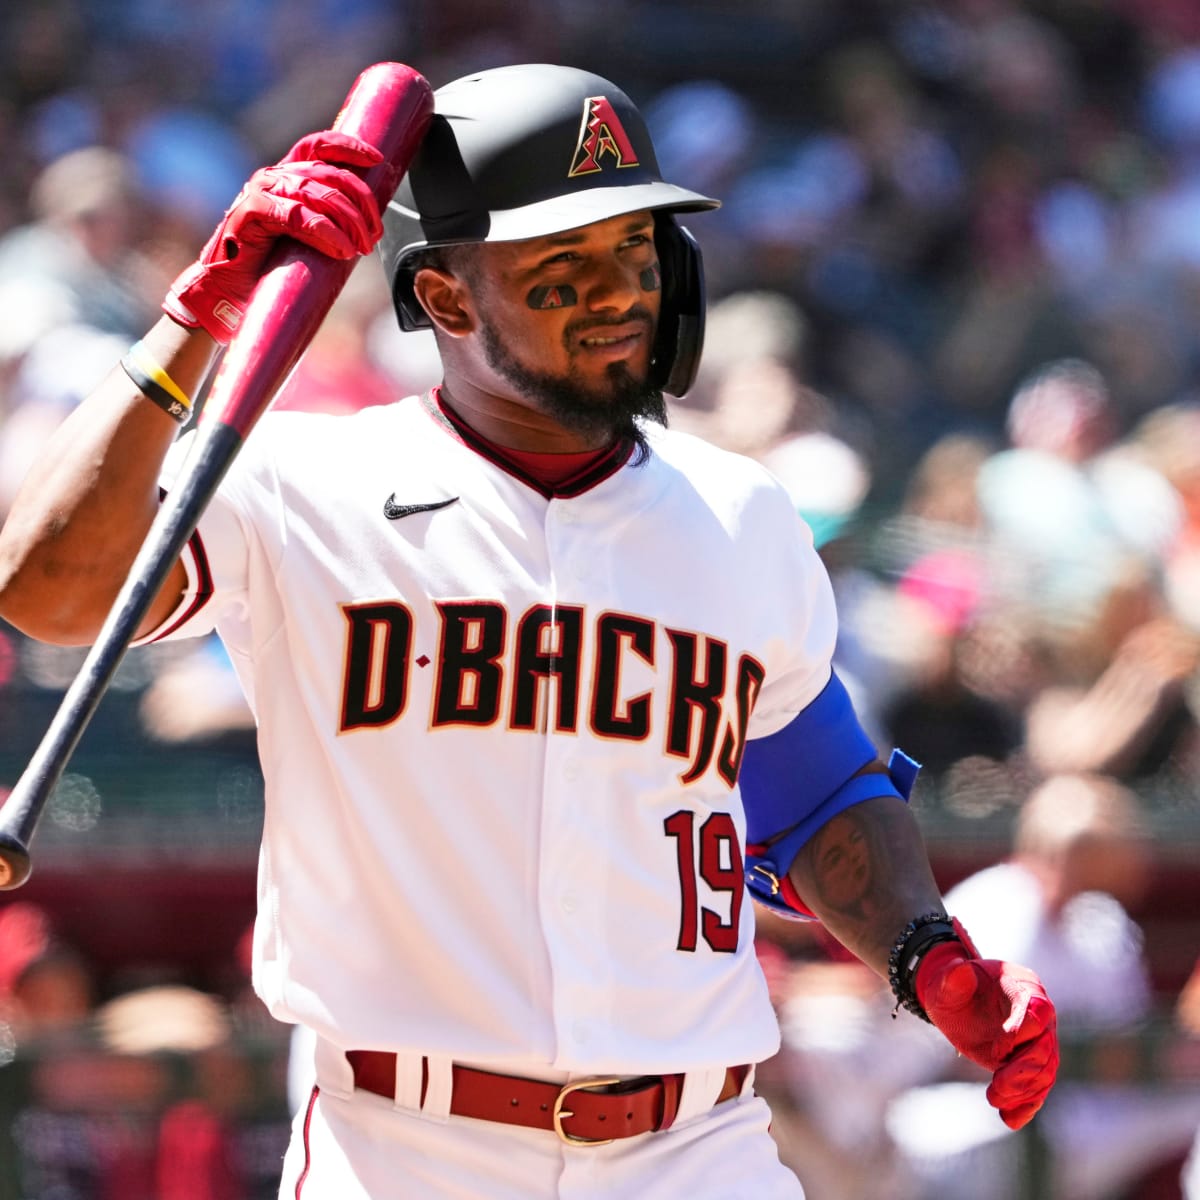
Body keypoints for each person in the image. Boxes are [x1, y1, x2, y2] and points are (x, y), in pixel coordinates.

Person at [0, 63, 1058, 1199]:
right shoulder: (305, 483)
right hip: (404, 1143)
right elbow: (47, 588)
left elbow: (814, 794)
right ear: (449, 299)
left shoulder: (742, 516)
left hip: (695, 1146)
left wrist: (926, 955)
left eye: (637, 254)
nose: (620, 295)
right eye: (563, 267)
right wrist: (193, 319)